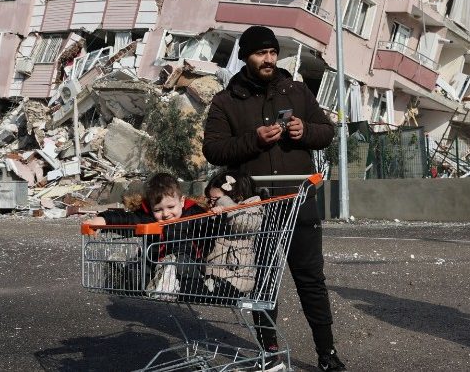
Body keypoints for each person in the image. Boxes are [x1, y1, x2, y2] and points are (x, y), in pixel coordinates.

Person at [202, 25, 345, 371]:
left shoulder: (296, 91)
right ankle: (269, 353)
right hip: (253, 208)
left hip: (299, 202)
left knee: (311, 279)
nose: (268, 59)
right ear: (245, 57)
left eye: (272, 52)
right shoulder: (225, 100)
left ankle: (327, 355)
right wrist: (253, 139)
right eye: (260, 53)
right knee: (262, 282)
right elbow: (213, 149)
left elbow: (327, 131)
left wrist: (305, 130)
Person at [86, 173, 207, 297]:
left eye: (171, 207)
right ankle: (123, 273)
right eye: (158, 210)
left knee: (182, 264)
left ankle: (166, 278)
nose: (166, 214)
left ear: (182, 201)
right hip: (153, 264)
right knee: (139, 273)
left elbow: (213, 229)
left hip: (185, 267)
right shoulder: (147, 218)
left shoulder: (194, 214)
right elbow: (126, 219)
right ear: (150, 207)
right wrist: (104, 219)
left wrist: (219, 215)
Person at [201, 171, 262, 300]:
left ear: (237, 196)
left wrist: (223, 202)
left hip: (238, 278)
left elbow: (244, 224)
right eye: (211, 200)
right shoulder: (219, 212)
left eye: (215, 200)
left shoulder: (253, 206)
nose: (213, 204)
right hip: (215, 274)